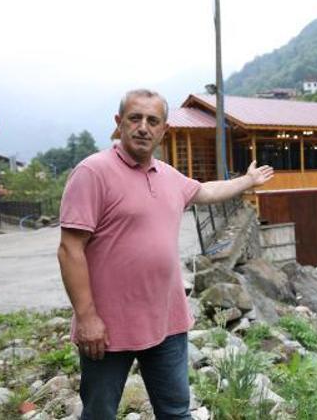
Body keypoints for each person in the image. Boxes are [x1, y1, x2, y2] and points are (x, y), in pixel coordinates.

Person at [57, 89, 274, 419]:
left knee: (175, 411)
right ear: (119, 124)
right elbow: (70, 249)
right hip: (107, 327)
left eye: (152, 121)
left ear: (164, 131)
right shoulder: (92, 172)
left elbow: (205, 190)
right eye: (135, 118)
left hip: (167, 320)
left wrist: (247, 181)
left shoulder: (169, 176)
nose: (143, 127)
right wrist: (86, 318)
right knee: (99, 412)